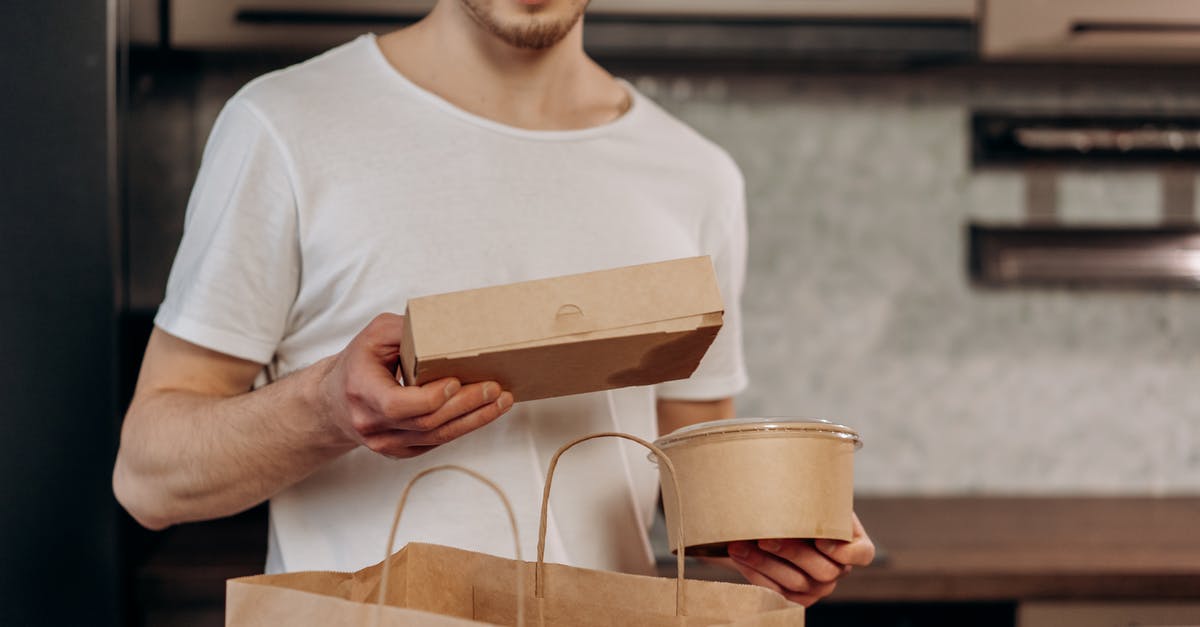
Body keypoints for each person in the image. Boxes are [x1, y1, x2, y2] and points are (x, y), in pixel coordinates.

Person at [112, 0, 874, 608]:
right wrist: (326, 407)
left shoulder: (696, 174)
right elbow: (147, 478)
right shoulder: (285, 127)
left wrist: (774, 524)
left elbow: (694, 462)